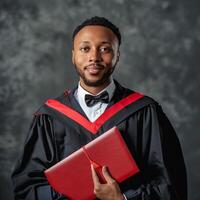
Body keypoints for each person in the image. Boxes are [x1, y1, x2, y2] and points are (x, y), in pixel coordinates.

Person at [11, 16, 187, 200]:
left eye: (105, 49)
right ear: (73, 56)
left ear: (117, 55)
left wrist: (122, 199)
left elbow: (171, 184)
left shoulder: (145, 111)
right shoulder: (49, 116)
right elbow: (26, 187)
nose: (94, 57)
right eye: (85, 48)